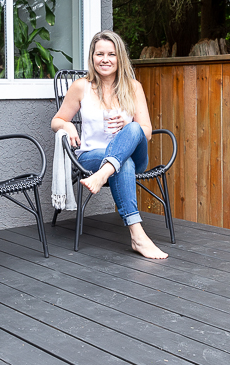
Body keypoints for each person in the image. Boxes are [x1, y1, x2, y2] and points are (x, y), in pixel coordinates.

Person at [51, 30, 169, 260]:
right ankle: (138, 236)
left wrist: (128, 123)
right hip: (91, 156)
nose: (105, 59)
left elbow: (147, 132)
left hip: (135, 157)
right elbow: (56, 120)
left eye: (111, 54)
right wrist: (67, 126)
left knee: (133, 128)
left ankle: (104, 173)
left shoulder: (133, 87)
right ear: (92, 57)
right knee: (120, 164)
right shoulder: (81, 87)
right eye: (100, 54)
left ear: (119, 58)